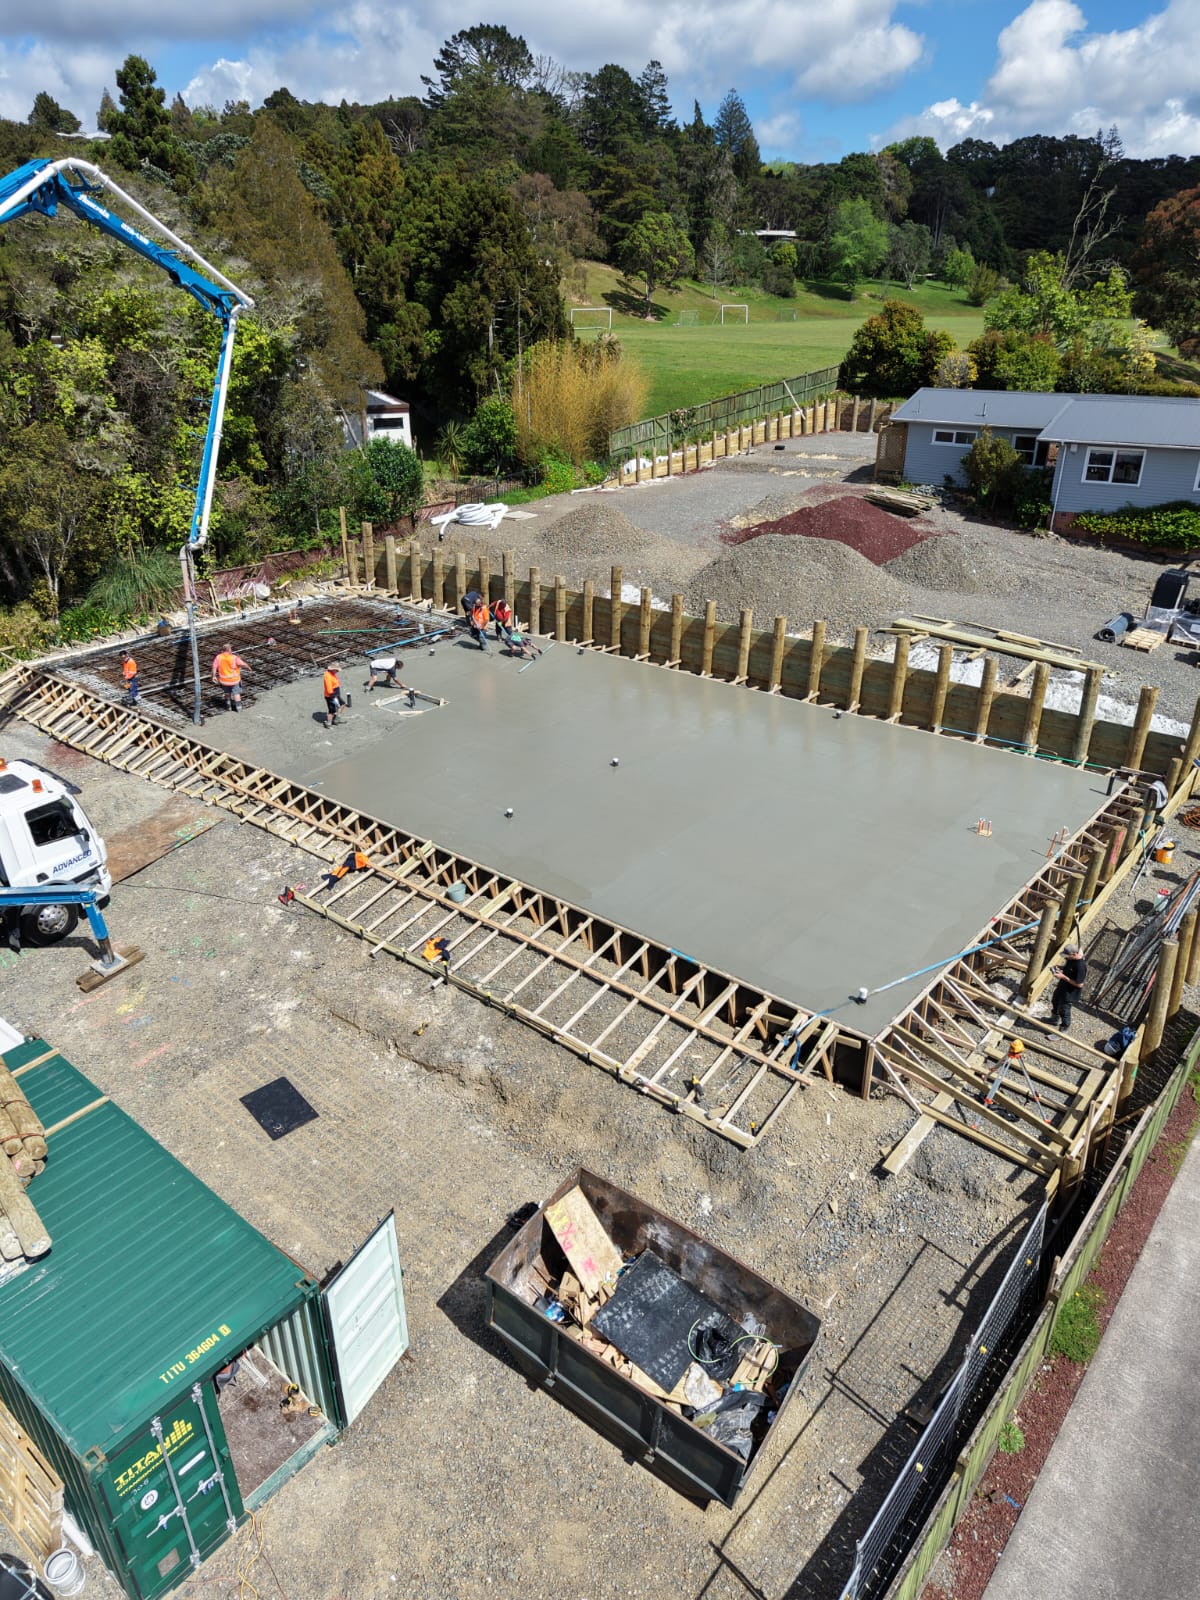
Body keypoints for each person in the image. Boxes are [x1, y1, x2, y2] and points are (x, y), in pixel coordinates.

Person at [1050, 944, 1088, 1030]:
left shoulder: (1080, 966)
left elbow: (1079, 984)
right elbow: (1069, 969)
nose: (1066, 957)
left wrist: (1063, 977)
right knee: (1055, 1001)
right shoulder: (1071, 959)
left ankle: (1063, 1030)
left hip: (1069, 993)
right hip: (1062, 988)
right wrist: (1060, 968)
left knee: (1064, 1011)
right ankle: (1054, 1019)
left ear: (1074, 954)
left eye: (1067, 955)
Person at [211, 644, 249, 712]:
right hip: (234, 680)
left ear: (222, 650)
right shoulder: (234, 657)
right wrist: (248, 667)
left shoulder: (218, 657)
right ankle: (239, 709)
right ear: (229, 650)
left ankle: (228, 707)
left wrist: (214, 676)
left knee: (227, 693)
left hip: (224, 681)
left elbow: (214, 667)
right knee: (236, 694)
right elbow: (243, 664)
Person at [323, 662, 344, 727]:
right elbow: (329, 689)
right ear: (332, 669)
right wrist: (333, 698)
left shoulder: (331, 673)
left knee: (341, 705)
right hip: (331, 696)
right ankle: (330, 723)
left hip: (335, 694)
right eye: (337, 670)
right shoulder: (328, 676)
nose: (337, 671)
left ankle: (335, 720)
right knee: (332, 710)